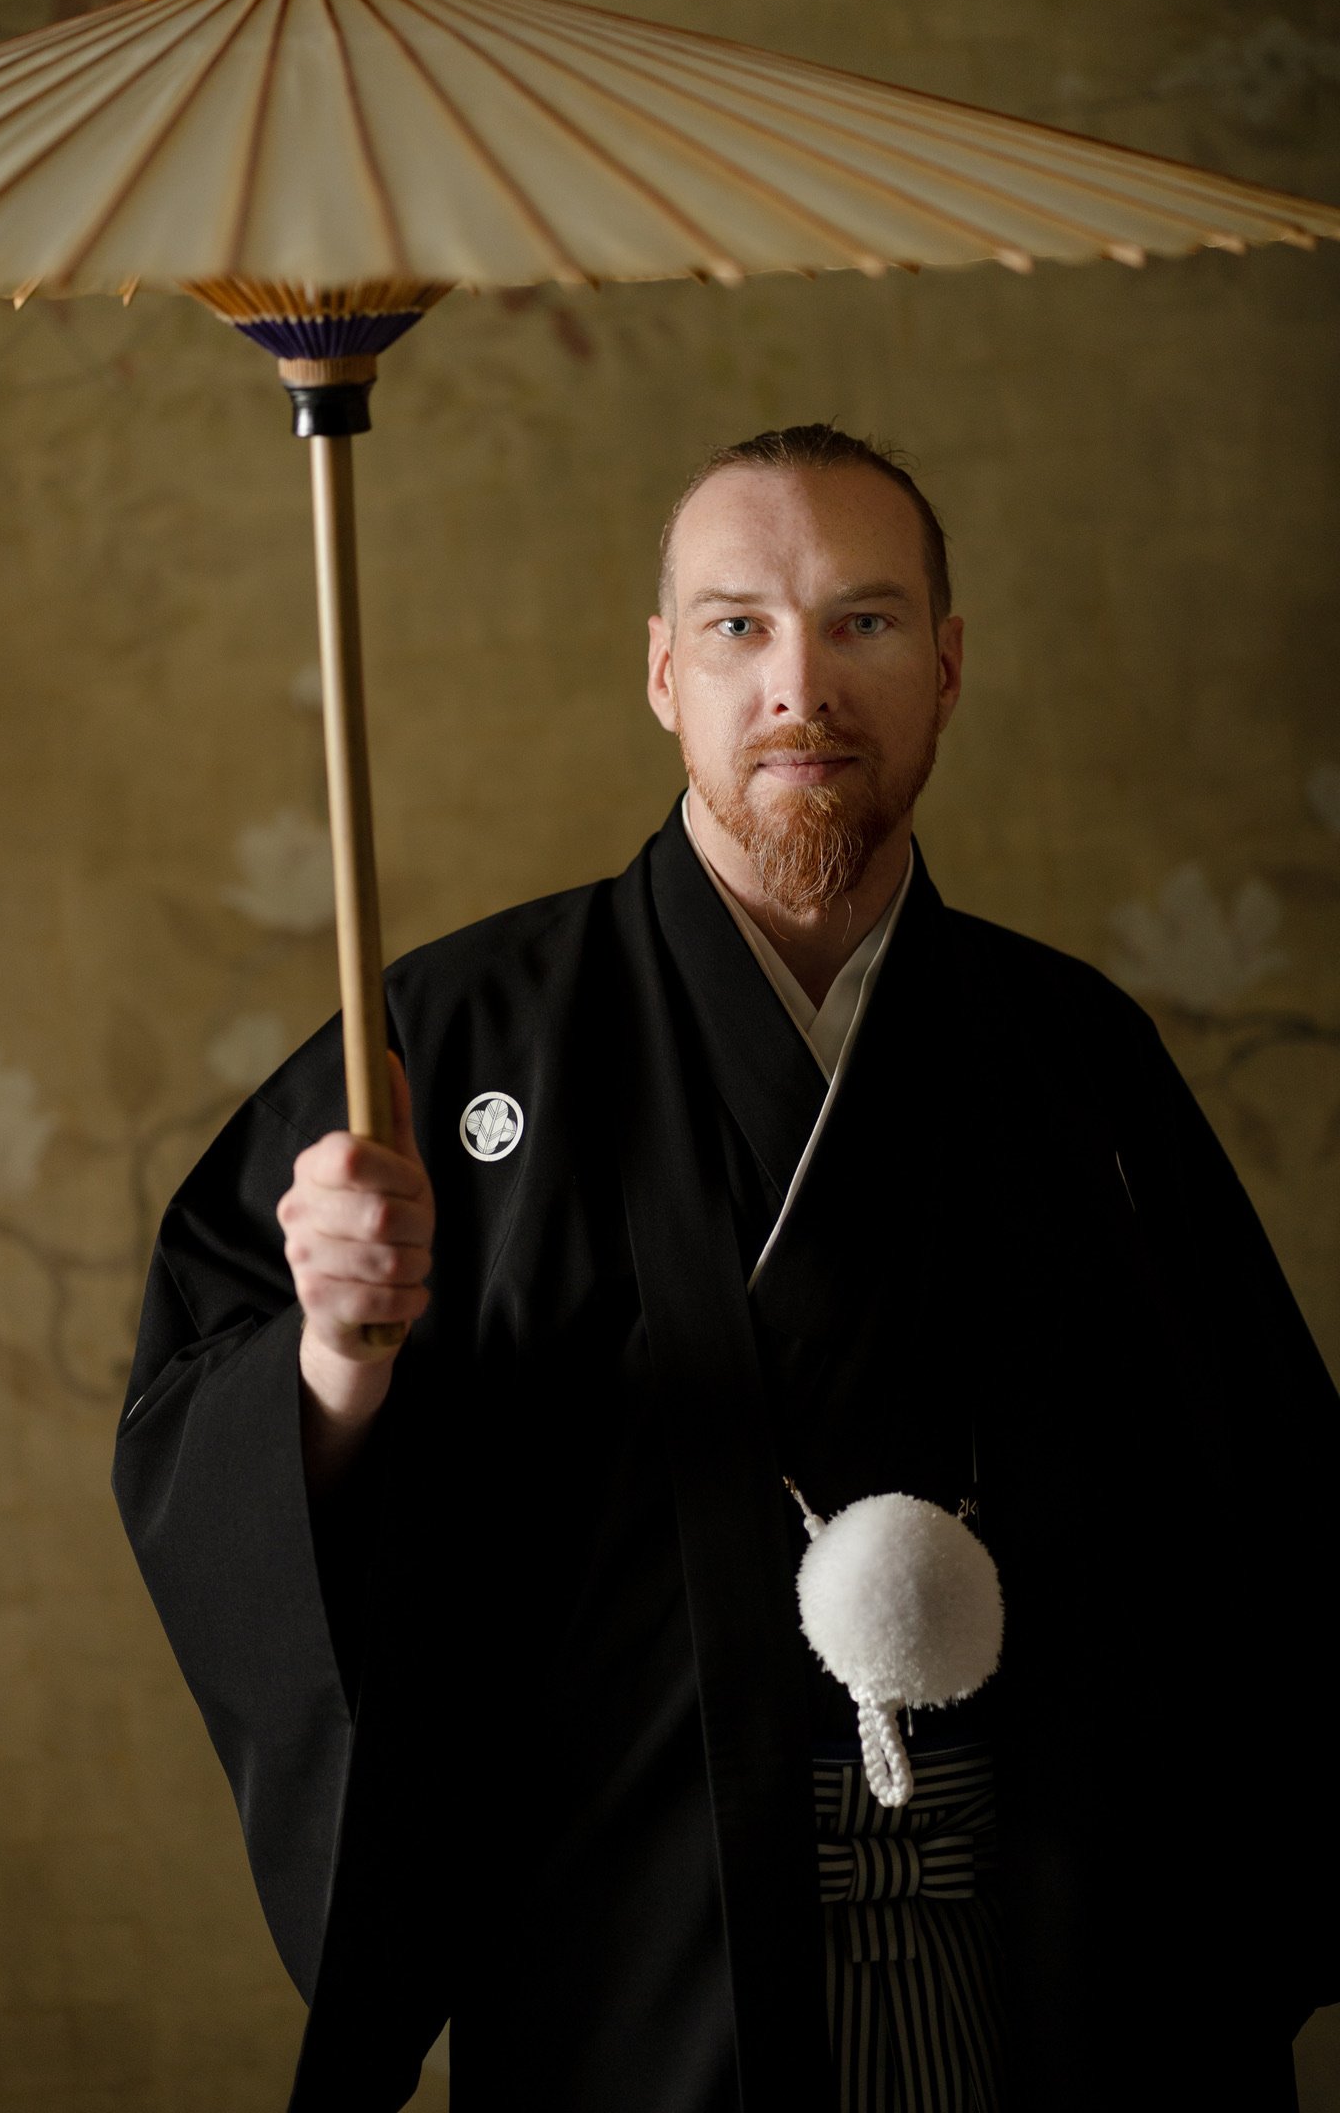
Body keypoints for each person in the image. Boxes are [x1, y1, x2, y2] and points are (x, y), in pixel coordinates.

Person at [114, 424, 1340, 2113]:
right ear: (662, 671)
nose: (800, 688)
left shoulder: (1077, 1053)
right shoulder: (446, 1041)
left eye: (865, 623)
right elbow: (208, 1434)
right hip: (642, 1955)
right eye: (739, 626)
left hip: (1067, 1957)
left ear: (950, 665)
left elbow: (1264, 1512)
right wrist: (337, 1356)